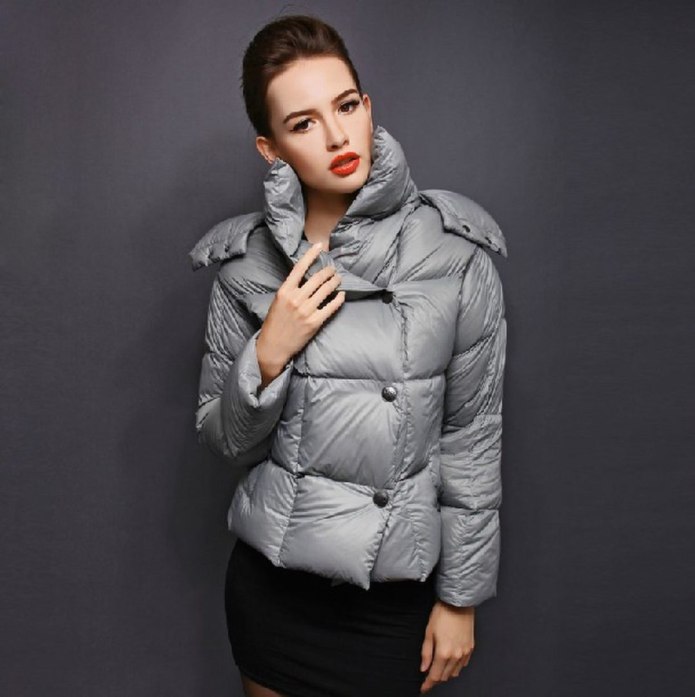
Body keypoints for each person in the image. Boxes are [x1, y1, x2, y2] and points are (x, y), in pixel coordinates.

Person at [189, 14, 508, 697]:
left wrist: (461, 597)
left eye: (344, 107)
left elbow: (471, 436)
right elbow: (225, 440)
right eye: (303, 123)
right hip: (274, 595)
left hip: (390, 601)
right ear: (270, 149)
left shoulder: (455, 255)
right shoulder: (245, 265)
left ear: (367, 107)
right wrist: (269, 350)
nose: (337, 137)